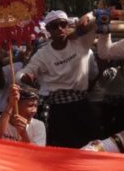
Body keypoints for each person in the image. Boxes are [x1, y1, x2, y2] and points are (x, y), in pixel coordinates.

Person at [19, 10, 100, 148]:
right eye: (54, 26)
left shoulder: (81, 42)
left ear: (68, 25)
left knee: (91, 147)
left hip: (83, 103)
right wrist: (25, 77)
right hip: (59, 109)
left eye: (63, 24)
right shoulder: (43, 54)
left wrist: (88, 15)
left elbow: (99, 19)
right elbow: (22, 74)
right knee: (65, 149)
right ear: (48, 29)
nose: (60, 29)